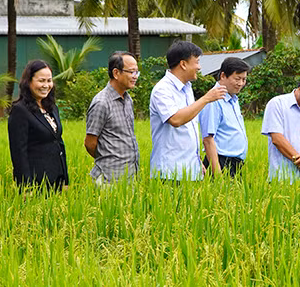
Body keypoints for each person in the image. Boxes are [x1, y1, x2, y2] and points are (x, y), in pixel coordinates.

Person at [149, 41, 228, 181]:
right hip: (170, 172)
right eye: (196, 62)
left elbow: (188, 129)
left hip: (191, 170)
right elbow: (176, 119)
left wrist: (196, 161)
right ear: (183, 64)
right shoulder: (162, 89)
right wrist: (206, 99)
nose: (199, 67)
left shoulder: (187, 88)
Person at [8, 60, 68, 191]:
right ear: (28, 82)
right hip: (36, 183)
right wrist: (26, 187)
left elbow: (59, 143)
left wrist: (65, 179)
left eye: (49, 81)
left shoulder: (51, 107)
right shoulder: (20, 111)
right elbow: (19, 153)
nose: (46, 85)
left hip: (56, 180)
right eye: (41, 81)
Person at [85, 51, 140, 185]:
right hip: (109, 179)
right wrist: (108, 159)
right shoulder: (101, 103)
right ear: (116, 73)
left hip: (130, 175)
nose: (135, 76)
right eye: (131, 72)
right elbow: (90, 143)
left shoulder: (128, 99)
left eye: (137, 72)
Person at [199, 57, 251, 177]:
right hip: (220, 162)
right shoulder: (213, 101)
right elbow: (208, 139)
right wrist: (218, 175)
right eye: (237, 79)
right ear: (223, 76)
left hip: (235, 163)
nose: (241, 84)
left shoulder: (233, 99)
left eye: (244, 79)